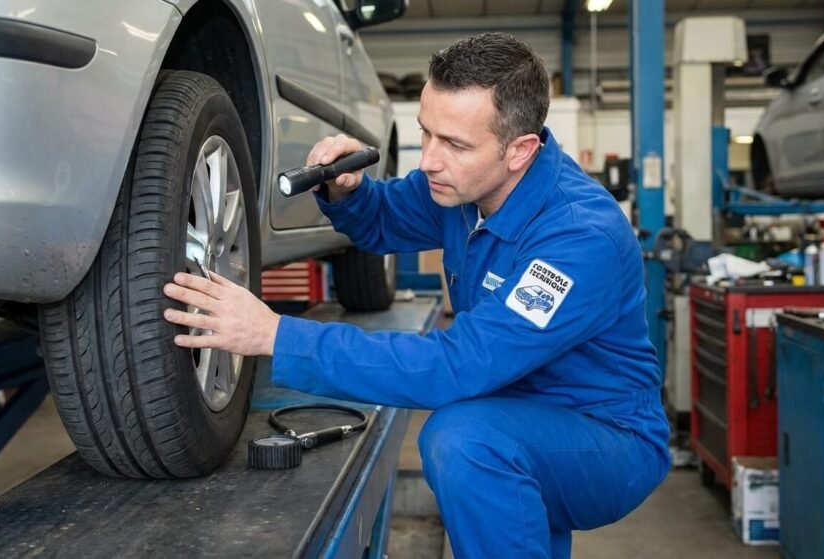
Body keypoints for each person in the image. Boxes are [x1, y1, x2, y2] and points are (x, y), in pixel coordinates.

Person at [161, 32, 670, 558]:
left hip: (607, 437)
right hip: (519, 409)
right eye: (426, 133)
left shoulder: (580, 239)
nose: (428, 160)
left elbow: (459, 367)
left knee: (465, 441)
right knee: (501, 481)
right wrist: (348, 192)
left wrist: (277, 335)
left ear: (520, 150)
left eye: (454, 144)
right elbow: (386, 218)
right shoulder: (465, 185)